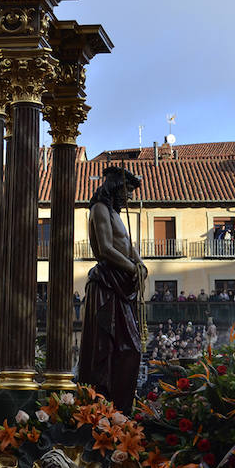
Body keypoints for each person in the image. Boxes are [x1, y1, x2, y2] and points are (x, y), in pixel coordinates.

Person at [79, 166, 145, 414]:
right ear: (115, 188)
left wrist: (140, 264)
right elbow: (106, 249)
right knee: (112, 348)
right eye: (127, 189)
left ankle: (120, 410)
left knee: (130, 349)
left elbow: (127, 245)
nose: (129, 196)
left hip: (122, 283)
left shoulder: (116, 214)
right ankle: (104, 407)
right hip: (107, 283)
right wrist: (132, 268)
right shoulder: (99, 210)